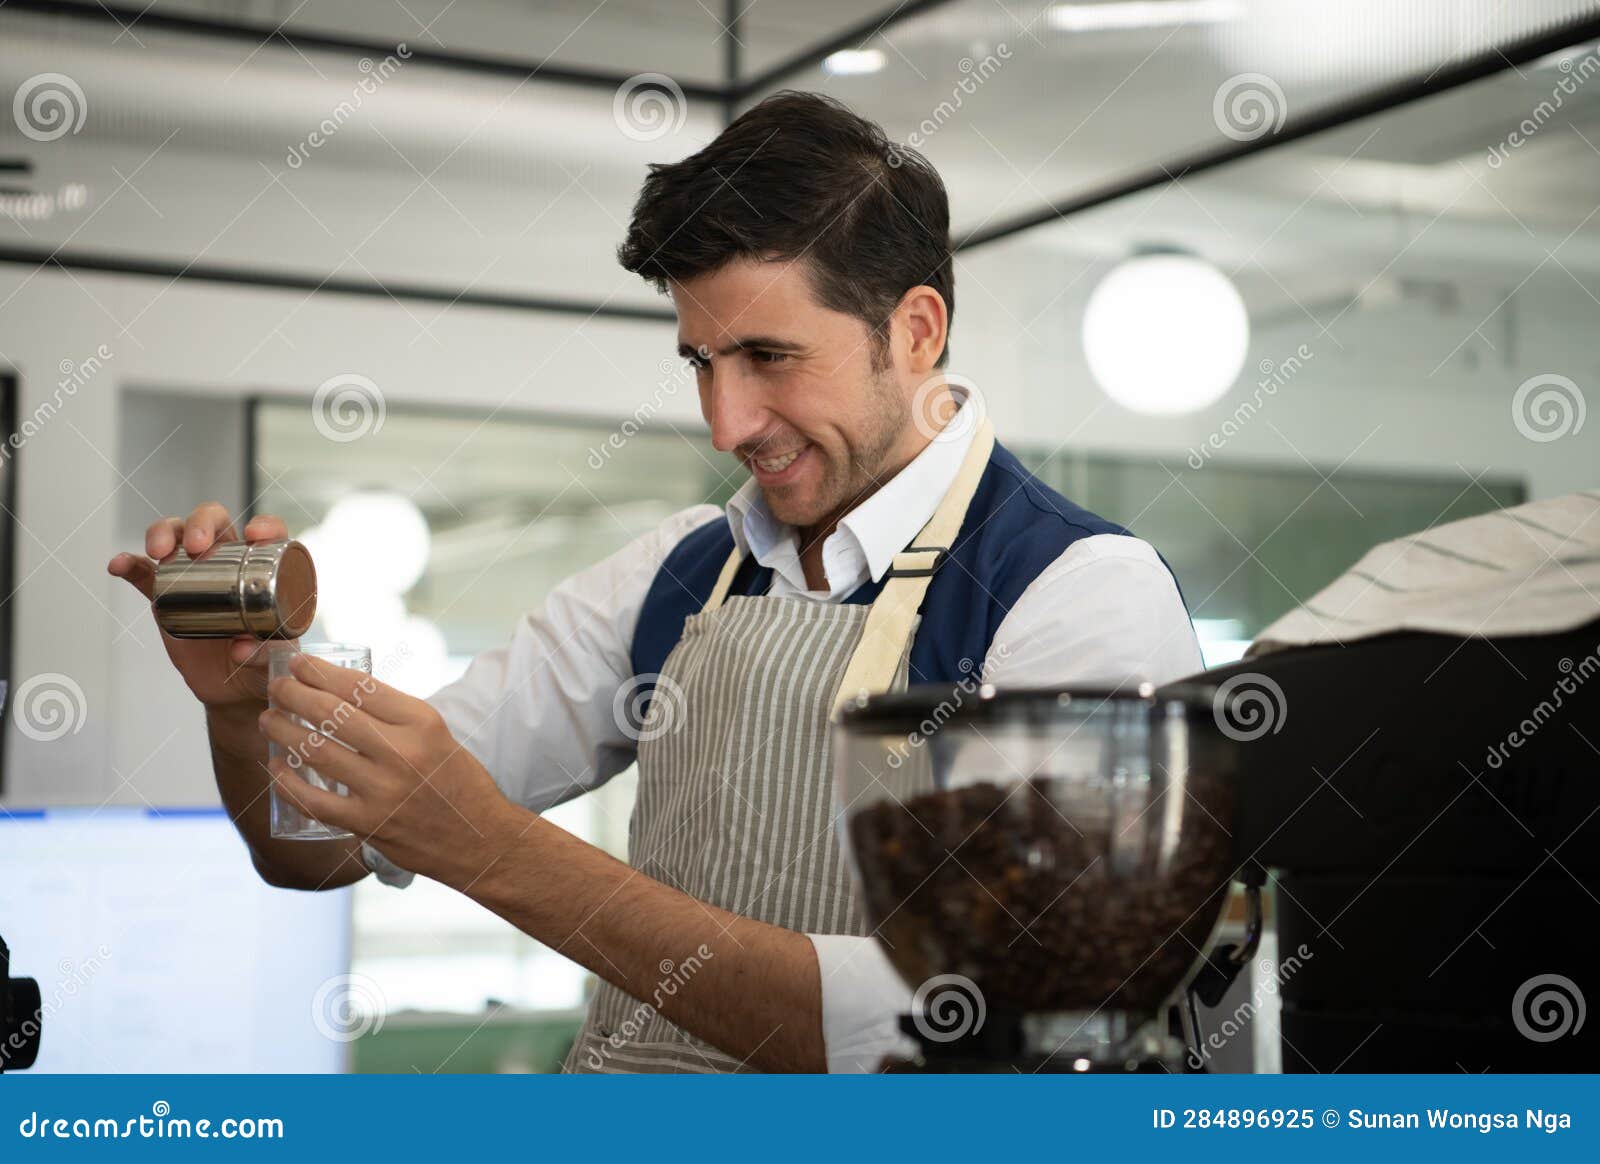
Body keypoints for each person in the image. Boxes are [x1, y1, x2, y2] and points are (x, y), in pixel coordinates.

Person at [107, 91, 1202, 1073]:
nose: (727, 422)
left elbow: (976, 1026)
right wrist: (246, 711)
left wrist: (490, 848)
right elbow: (322, 852)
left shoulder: (1071, 594)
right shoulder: (680, 575)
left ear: (913, 332)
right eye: (699, 362)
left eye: (769, 358)